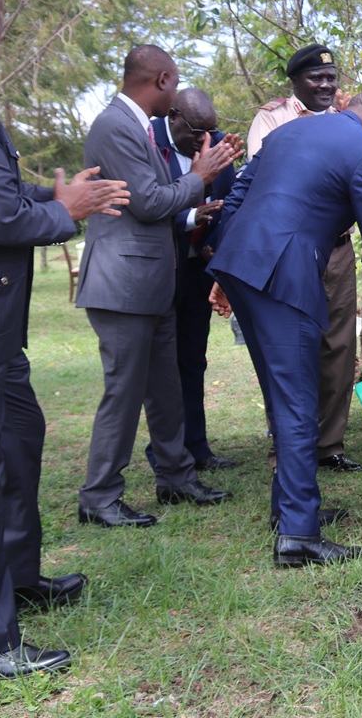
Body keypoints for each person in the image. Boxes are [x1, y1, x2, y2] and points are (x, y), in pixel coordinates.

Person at [208, 93, 362, 567]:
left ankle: (288, 508)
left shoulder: (286, 131)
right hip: (284, 274)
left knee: (281, 394)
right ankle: (298, 537)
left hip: (242, 265)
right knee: (297, 401)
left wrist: (222, 269)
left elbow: (236, 197)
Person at [0, 0, 130, 677]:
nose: (4, 22)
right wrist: (63, 211)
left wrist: (52, 192)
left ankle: (18, 582)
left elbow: (4, 190)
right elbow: (0, 214)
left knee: (21, 442)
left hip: (3, 334)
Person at [76, 45, 241, 528]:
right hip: (123, 285)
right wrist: (200, 177)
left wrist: (191, 196)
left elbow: (153, 202)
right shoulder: (115, 126)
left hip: (155, 281)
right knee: (123, 393)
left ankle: (176, 476)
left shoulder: (140, 127)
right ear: (164, 79)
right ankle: (99, 496)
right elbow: (147, 202)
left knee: (166, 388)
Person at [246, 43, 362, 474]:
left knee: (338, 345)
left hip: (335, 250)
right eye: (316, 78)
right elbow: (261, 184)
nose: (326, 85)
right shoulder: (273, 119)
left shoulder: (344, 123)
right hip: (290, 252)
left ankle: (328, 444)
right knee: (292, 350)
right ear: (295, 81)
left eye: (331, 78)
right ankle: (287, 449)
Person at [144, 88, 240, 474]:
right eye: (198, 131)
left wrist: (213, 246)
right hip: (158, 268)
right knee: (162, 365)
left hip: (197, 270)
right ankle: (166, 451)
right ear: (174, 117)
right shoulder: (147, 140)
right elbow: (144, 203)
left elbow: (232, 203)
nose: (206, 140)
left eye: (211, 132)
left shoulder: (215, 144)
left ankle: (198, 448)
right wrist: (189, 219)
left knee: (192, 360)